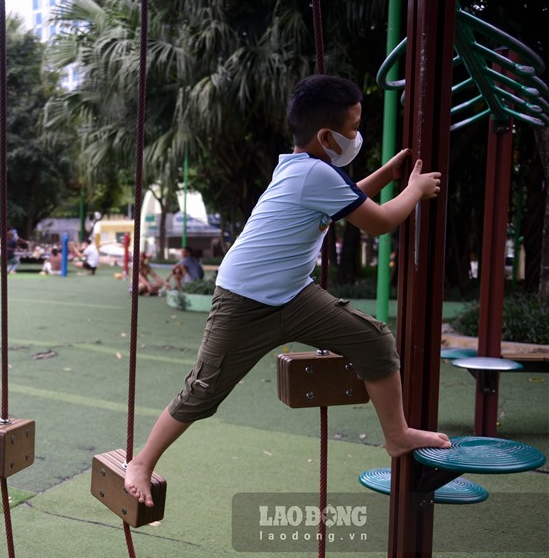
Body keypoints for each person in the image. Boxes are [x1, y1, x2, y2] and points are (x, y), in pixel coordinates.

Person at [124, 74, 451, 508]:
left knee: (374, 340)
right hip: (242, 300)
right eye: (352, 129)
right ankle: (142, 462)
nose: (357, 135)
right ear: (326, 137)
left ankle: (397, 435)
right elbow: (380, 221)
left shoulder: (306, 169)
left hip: (295, 295)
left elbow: (349, 201)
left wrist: (386, 176)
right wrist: (412, 189)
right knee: (204, 389)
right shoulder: (313, 175)